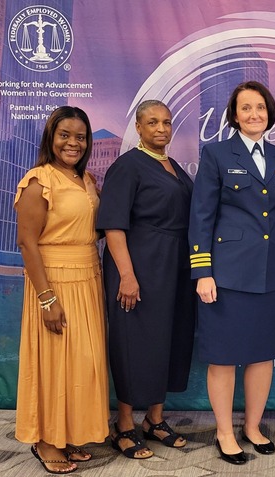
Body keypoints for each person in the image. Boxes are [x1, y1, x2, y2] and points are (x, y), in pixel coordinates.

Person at [189, 81, 275, 465]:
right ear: (234, 115)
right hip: (227, 273)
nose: (254, 114)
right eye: (246, 108)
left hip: (272, 271)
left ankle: (252, 427)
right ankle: (223, 431)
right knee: (223, 355)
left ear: (269, 113)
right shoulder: (216, 153)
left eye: (261, 108)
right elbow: (201, 214)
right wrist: (203, 271)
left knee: (263, 354)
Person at [97, 100, 196, 459]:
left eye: (167, 122)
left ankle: (154, 420)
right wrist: (126, 274)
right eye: (152, 122)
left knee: (167, 340)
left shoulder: (173, 167)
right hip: (138, 265)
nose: (161, 129)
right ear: (138, 127)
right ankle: (123, 425)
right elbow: (113, 224)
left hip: (174, 266)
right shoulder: (127, 166)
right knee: (134, 341)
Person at [15, 106, 109, 474]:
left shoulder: (86, 180)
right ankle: (46, 441)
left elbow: (94, 228)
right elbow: (27, 242)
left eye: (80, 137)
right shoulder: (39, 180)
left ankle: (66, 433)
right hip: (54, 280)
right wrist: (46, 297)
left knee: (80, 363)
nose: (73, 142)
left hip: (88, 276)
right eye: (64, 135)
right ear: (51, 138)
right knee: (54, 362)